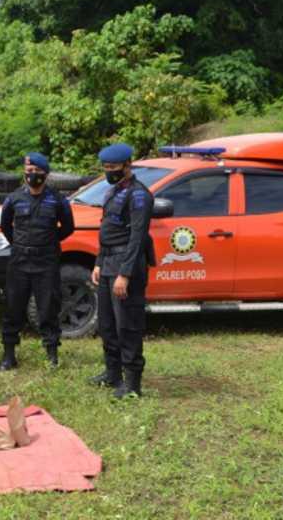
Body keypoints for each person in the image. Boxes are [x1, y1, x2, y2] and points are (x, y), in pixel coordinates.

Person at [0, 152, 75, 371]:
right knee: (13, 307)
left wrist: (49, 241)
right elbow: (5, 227)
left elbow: (68, 227)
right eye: (29, 171)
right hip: (20, 260)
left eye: (37, 172)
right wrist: (21, 243)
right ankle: (9, 355)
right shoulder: (14, 198)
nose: (32, 175)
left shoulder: (57, 199)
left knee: (48, 308)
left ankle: (51, 355)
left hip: (47, 260)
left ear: (46, 174)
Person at [89, 143, 155, 398]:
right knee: (107, 324)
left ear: (128, 165)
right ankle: (112, 373)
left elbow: (136, 238)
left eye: (113, 168)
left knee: (128, 325)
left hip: (126, 267)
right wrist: (98, 262)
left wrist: (124, 275)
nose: (109, 172)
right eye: (105, 168)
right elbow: (108, 232)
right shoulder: (114, 192)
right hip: (107, 264)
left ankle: (132, 384)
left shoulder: (139, 195)